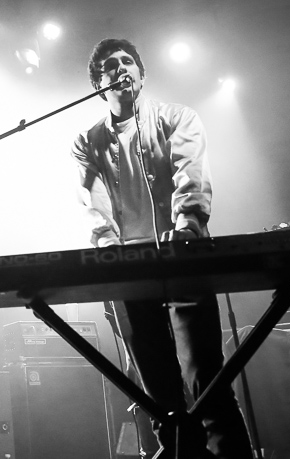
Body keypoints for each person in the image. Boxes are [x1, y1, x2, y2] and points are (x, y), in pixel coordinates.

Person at [71, 38, 252, 458]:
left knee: (207, 385)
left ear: (141, 73)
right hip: (127, 276)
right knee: (160, 400)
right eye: (111, 66)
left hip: (182, 262)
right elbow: (91, 202)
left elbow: (191, 176)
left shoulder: (177, 118)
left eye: (128, 62)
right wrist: (108, 249)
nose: (121, 69)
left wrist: (186, 226)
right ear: (99, 85)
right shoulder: (87, 140)